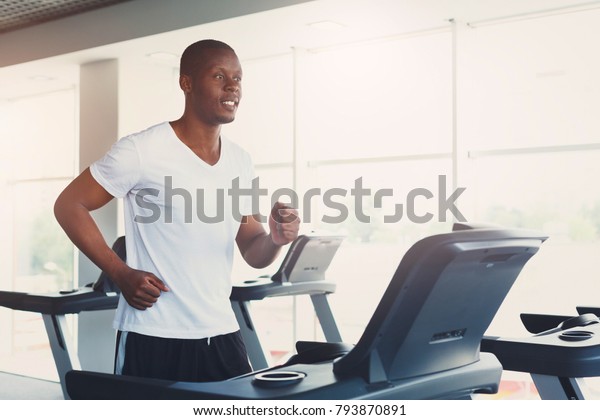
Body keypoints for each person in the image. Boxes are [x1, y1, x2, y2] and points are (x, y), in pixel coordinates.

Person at [54, 39, 300, 382]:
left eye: (237, 78)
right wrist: (122, 274)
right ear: (186, 83)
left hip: (222, 333)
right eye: (218, 76)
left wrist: (275, 239)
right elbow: (69, 205)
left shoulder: (240, 161)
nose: (232, 86)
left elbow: (253, 250)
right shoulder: (142, 150)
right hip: (153, 334)